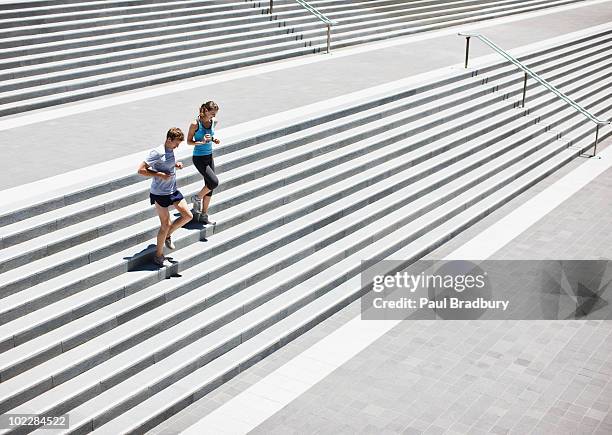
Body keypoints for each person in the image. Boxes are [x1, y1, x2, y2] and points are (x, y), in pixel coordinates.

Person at [138, 127, 193, 267]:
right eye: (176, 143)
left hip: (173, 190)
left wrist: (175, 164)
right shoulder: (157, 152)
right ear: (169, 139)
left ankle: (168, 235)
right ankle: (158, 255)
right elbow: (141, 170)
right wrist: (159, 175)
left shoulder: (170, 150)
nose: (177, 146)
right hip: (159, 193)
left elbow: (165, 163)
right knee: (165, 224)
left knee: (188, 216)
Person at [187, 101, 220, 224]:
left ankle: (204, 215)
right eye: (212, 114)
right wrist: (200, 142)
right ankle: (196, 198)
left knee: (210, 186)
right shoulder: (195, 124)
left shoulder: (213, 122)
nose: (213, 117)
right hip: (199, 157)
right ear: (205, 111)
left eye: (215, 114)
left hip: (209, 156)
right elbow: (189, 141)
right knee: (214, 182)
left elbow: (209, 136)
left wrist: (213, 139)